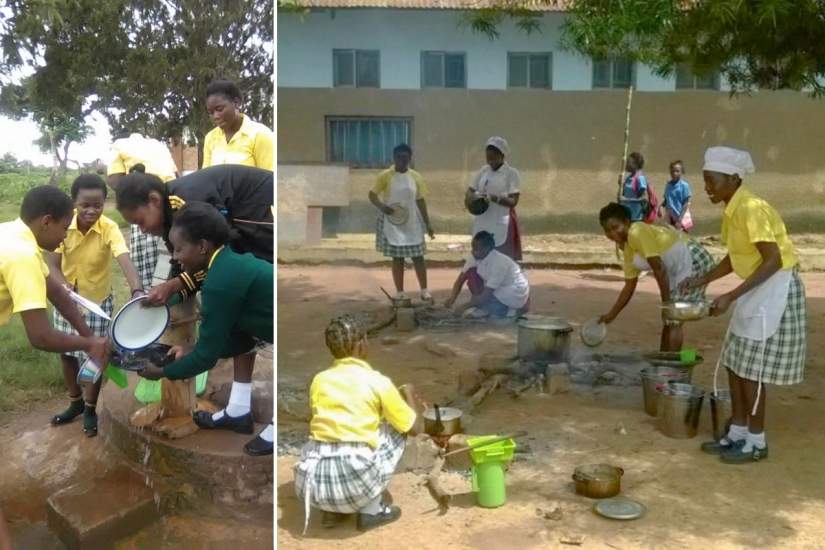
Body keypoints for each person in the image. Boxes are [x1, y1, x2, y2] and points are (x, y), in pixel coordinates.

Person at [118, 182, 273, 454]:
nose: (176, 259)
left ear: (202, 246)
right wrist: (190, 348)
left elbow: (207, 358)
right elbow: (238, 341)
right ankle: (237, 412)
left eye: (178, 250)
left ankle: (276, 428)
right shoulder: (225, 263)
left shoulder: (219, 283)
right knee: (242, 336)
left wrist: (163, 372)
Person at [682, 146, 806, 464]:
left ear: (733, 179)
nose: (707, 187)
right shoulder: (733, 210)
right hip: (757, 287)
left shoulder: (751, 207)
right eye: (706, 180)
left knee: (753, 371)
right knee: (735, 364)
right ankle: (737, 433)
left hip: (775, 287)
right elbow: (735, 257)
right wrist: (704, 279)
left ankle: (756, 442)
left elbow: (773, 260)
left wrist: (730, 296)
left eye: (712, 180)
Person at [293, 314, 425, 533]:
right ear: (361, 344)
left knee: (331, 435)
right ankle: (371, 511)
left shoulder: (319, 380)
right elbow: (415, 429)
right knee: (395, 428)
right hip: (356, 481)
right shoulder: (377, 381)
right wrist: (409, 394)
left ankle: (333, 512)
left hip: (314, 484)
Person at [45, 175, 143, 437]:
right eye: (85, 204)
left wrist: (136, 289)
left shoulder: (109, 228)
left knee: (96, 358)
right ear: (74, 202)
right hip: (66, 302)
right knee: (66, 355)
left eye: (97, 205)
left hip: (98, 304)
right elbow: (52, 264)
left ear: (104, 204)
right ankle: (74, 403)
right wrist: (63, 284)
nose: (91, 210)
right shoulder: (63, 227)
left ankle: (90, 409)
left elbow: (123, 258)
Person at [0, 186, 108, 368]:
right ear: (46, 222)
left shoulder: (12, 232)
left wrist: (89, 337)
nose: (65, 236)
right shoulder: (23, 256)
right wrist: (89, 344)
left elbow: (57, 293)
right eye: (64, 228)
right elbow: (41, 337)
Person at [597, 202, 715, 352]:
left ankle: (671, 369)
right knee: (669, 319)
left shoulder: (637, 231)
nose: (612, 234)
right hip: (675, 270)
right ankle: (664, 361)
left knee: (674, 318)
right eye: (608, 230)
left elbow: (659, 268)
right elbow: (629, 286)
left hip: (692, 258)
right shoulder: (628, 251)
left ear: (627, 222)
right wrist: (611, 315)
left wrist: (666, 303)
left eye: (615, 227)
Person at [107, 131, 179, 292]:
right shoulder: (159, 145)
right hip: (171, 207)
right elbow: (176, 175)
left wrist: (133, 196)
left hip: (143, 205)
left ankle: (150, 296)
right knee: (173, 260)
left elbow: (114, 180)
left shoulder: (119, 145)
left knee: (149, 270)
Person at [368, 144, 435, 302]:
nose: (402, 161)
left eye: (405, 158)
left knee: (418, 257)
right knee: (398, 259)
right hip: (393, 223)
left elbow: (420, 200)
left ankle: (424, 291)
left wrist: (428, 224)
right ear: (394, 157)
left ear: (410, 159)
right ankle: (400, 292)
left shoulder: (416, 177)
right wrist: (382, 207)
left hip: (412, 222)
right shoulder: (385, 176)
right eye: (399, 158)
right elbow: (372, 195)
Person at [444, 231, 529, 319]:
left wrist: (464, 307)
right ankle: (486, 308)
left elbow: (487, 294)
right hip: (497, 289)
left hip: (512, 292)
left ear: (487, 248)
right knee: (471, 274)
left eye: (476, 249)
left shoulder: (499, 263)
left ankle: (510, 310)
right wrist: (452, 298)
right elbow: (460, 280)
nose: (472, 252)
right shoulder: (475, 257)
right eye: (473, 248)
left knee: (497, 318)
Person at [465, 136, 522, 261]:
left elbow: (513, 201)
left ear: (502, 155)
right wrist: (469, 201)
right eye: (488, 158)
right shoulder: (483, 171)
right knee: (480, 254)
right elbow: (470, 190)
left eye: (493, 158)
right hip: (482, 219)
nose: (490, 161)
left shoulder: (511, 174)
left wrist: (493, 198)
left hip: (500, 220)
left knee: (499, 257)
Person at [203, 79, 273, 170]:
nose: (215, 116)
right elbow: (207, 177)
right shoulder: (210, 138)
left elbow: (270, 179)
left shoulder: (260, 135)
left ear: (236, 103)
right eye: (211, 112)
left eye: (219, 109)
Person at [661, 160, 693, 232]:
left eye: (677, 171)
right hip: (670, 217)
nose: (674, 173)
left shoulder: (684, 186)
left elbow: (686, 204)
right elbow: (667, 199)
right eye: (672, 171)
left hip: (681, 217)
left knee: (682, 239)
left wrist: (679, 220)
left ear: (682, 172)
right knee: (670, 237)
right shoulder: (668, 185)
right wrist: (660, 207)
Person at [618, 152, 650, 223]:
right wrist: (620, 184)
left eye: (628, 162)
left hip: (636, 217)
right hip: (626, 215)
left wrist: (627, 200)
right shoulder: (628, 178)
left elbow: (644, 199)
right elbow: (621, 198)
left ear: (635, 164)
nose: (626, 165)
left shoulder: (640, 178)